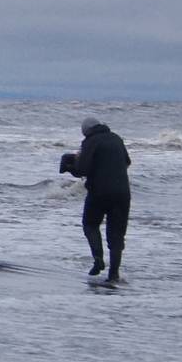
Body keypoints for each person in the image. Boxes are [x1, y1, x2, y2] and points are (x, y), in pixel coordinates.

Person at [68, 115, 132, 282]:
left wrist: (71, 164)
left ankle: (98, 259)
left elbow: (82, 169)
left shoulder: (91, 141)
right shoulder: (116, 139)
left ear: (87, 132)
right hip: (122, 193)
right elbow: (127, 162)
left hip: (99, 192)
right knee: (116, 235)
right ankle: (114, 274)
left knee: (90, 224)